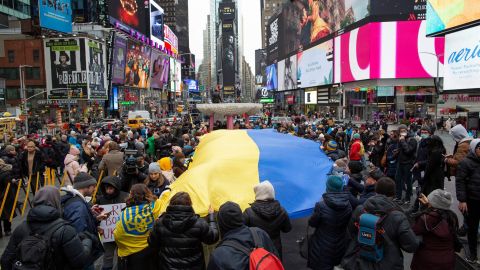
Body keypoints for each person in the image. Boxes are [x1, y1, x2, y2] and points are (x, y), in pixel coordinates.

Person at [0, 186, 93, 270]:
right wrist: (87, 240)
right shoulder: (65, 230)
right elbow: (79, 262)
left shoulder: (21, 227)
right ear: (57, 202)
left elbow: (6, 260)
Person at [342, 177, 419, 270]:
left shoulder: (360, 210)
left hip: (358, 261)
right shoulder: (398, 216)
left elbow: (349, 235)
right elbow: (411, 245)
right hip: (388, 263)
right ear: (393, 194)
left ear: (376, 190)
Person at [148, 192, 219, 269]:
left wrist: (154, 227)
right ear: (190, 204)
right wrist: (211, 218)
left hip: (168, 266)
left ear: (171, 203)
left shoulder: (160, 223)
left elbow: (152, 243)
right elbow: (212, 238)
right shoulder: (199, 223)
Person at [207, 201, 279, 270]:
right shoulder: (259, 233)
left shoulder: (218, 255)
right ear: (241, 217)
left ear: (221, 224)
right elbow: (275, 258)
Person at [61, 172, 106, 268]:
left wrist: (94, 219)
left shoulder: (76, 201)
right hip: (84, 256)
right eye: (93, 186)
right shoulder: (78, 206)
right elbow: (80, 233)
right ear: (86, 187)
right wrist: (94, 240)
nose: (94, 189)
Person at [308, 175, 352, 270]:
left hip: (322, 244)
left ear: (328, 187)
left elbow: (312, 223)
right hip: (341, 244)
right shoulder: (348, 205)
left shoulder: (321, 205)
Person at [114, 184, 161, 270]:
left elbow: (118, 235)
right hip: (152, 251)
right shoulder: (157, 205)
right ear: (147, 193)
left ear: (131, 194)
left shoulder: (125, 214)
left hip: (133, 256)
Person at [410, 189, 459, 270]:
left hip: (426, 261)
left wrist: (425, 208)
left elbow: (413, 232)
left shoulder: (426, 218)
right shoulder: (452, 218)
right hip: (448, 260)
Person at [243, 181, 292, 259]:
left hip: (257, 251)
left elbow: (242, 233)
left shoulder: (248, 212)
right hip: (275, 250)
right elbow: (287, 229)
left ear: (258, 193)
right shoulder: (282, 210)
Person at [456, 138, 480, 263]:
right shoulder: (465, 163)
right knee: (472, 228)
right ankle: (473, 255)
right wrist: (462, 200)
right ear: (474, 149)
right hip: (472, 200)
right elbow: (460, 182)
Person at [395, 124, 417, 205]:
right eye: (401, 131)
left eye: (404, 131)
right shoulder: (401, 139)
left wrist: (403, 141)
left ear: (407, 131)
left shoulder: (412, 140)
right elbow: (402, 150)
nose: (403, 133)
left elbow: (408, 151)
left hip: (408, 163)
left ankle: (407, 198)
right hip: (400, 163)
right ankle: (398, 196)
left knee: (408, 182)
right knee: (398, 180)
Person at [0, 159, 15, 237]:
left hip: (4, 196)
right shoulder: (6, 173)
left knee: (6, 214)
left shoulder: (5, 174)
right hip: (3, 196)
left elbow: (8, 187)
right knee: (4, 214)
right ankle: (4, 231)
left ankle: (7, 230)